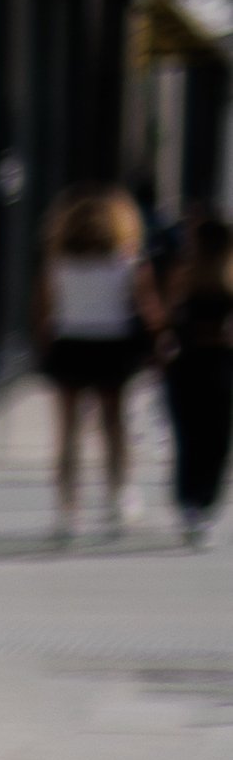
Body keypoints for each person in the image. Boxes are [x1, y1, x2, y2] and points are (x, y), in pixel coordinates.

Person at [36, 184, 160, 540]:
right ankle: (119, 494)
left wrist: (46, 345)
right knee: (115, 425)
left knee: (68, 431)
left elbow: (43, 310)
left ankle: (67, 506)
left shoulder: (58, 263)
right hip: (112, 344)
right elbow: (146, 306)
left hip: (70, 344)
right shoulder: (128, 261)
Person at [163, 210, 233, 550]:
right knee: (210, 436)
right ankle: (200, 500)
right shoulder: (200, 275)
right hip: (213, 364)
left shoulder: (189, 276)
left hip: (194, 364)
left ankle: (191, 500)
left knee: (194, 436)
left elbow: (169, 321)